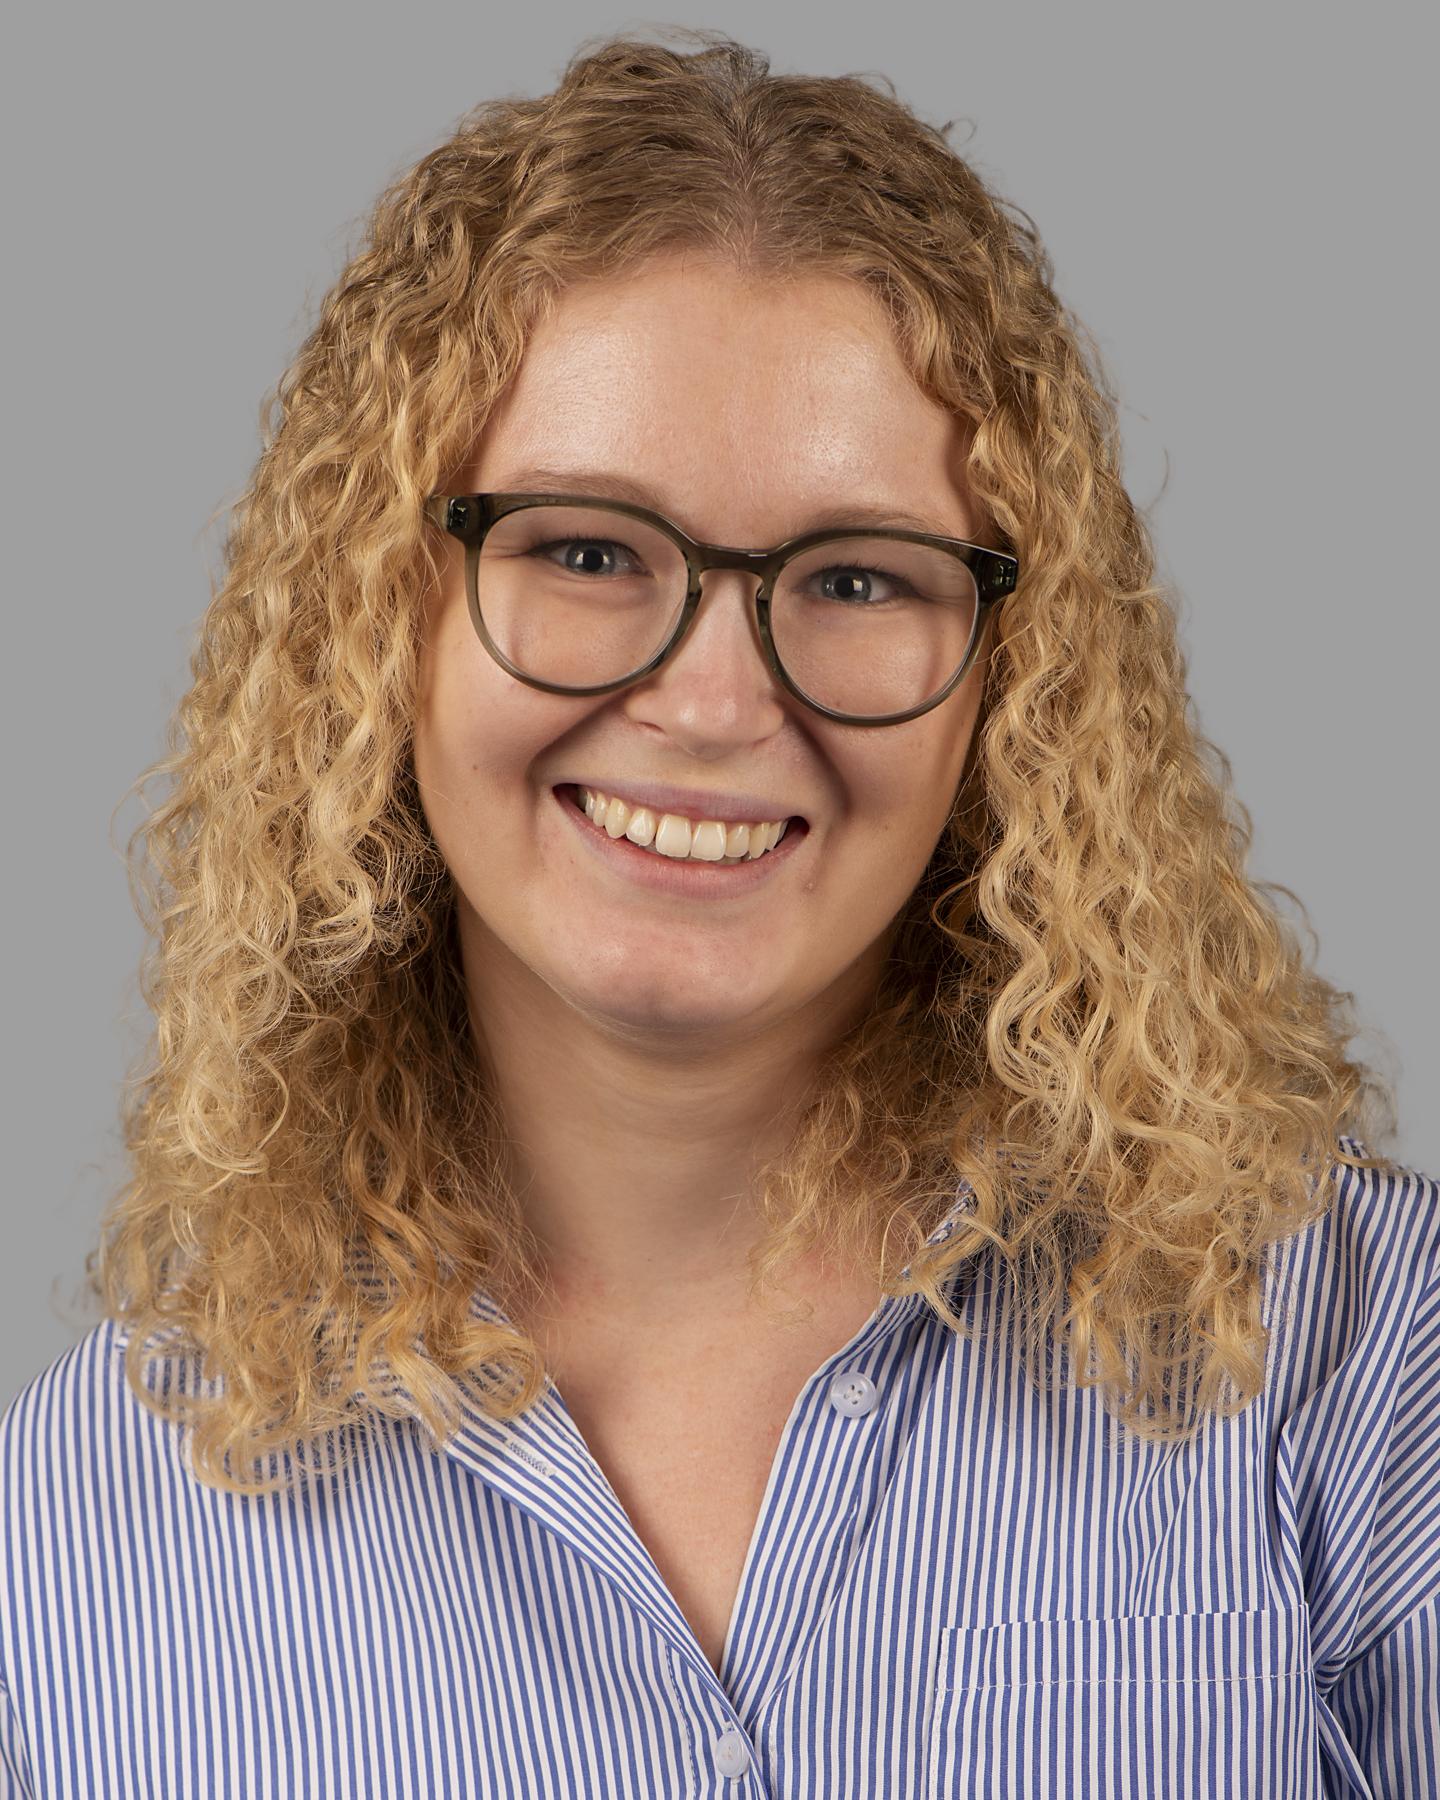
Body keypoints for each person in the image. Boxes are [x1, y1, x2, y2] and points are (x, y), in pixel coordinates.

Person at [2, 27, 1436, 1798]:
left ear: (1020, 675)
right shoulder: (74, 1535)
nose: (712, 700)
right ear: (379, 612)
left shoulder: (1353, 1354)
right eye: (589, 549)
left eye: (853, 579)